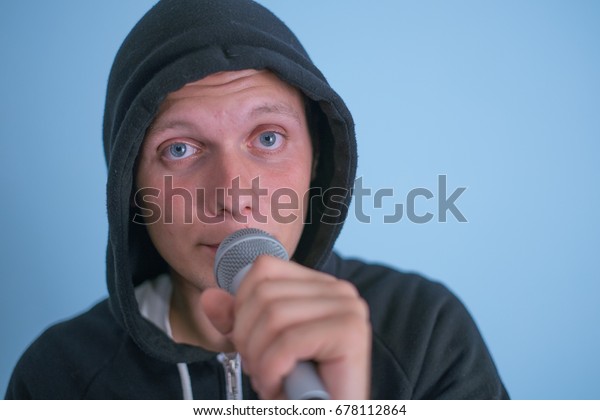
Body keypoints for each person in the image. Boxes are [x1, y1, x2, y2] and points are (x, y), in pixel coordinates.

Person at [5, 0, 508, 399]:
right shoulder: (58, 377)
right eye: (179, 149)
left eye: (268, 138)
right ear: (130, 187)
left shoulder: (425, 331)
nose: (233, 195)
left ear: (320, 160)